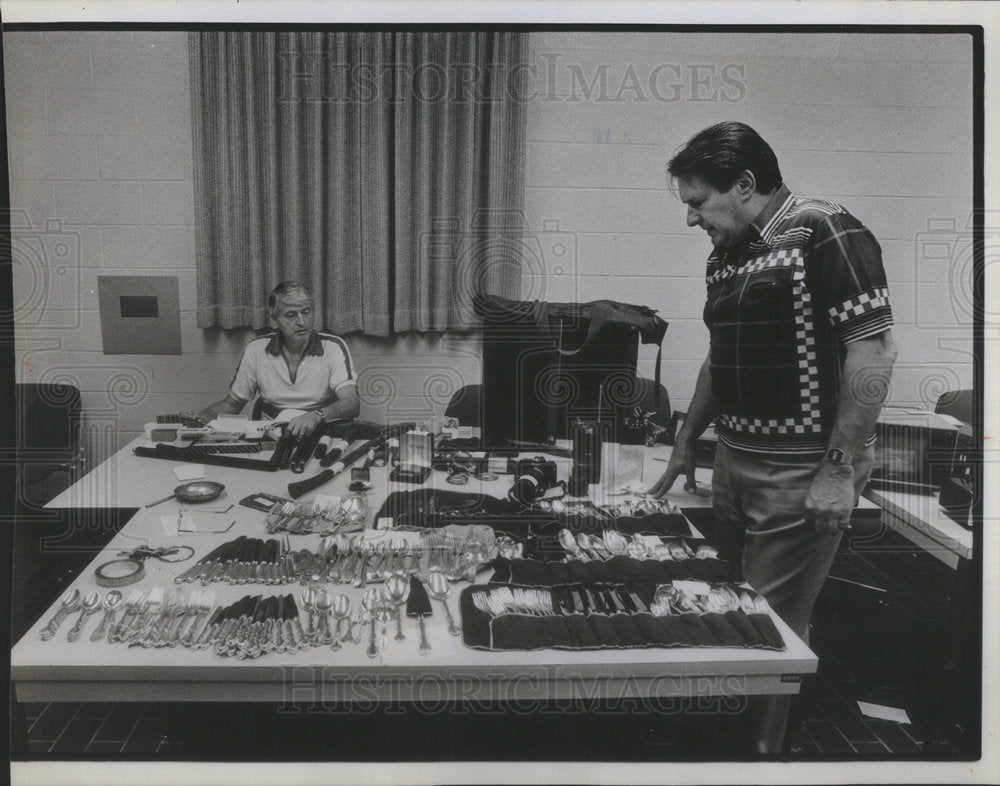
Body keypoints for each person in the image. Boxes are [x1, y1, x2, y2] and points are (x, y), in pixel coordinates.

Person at [647, 122, 897, 753]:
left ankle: (760, 757)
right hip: (734, 460)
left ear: (745, 185)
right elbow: (717, 357)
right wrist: (685, 443)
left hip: (799, 471)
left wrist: (839, 471)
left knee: (768, 626)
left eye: (698, 202)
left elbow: (873, 352)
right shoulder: (726, 255)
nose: (691, 219)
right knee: (729, 607)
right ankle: (732, 739)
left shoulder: (824, 229)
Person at [198, 280, 360, 438]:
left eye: (306, 312)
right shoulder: (257, 349)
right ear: (275, 317)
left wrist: (316, 415)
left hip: (320, 432)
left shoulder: (333, 347)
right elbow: (233, 403)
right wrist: (201, 419)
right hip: (273, 436)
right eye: (291, 315)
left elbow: (351, 403)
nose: (302, 322)